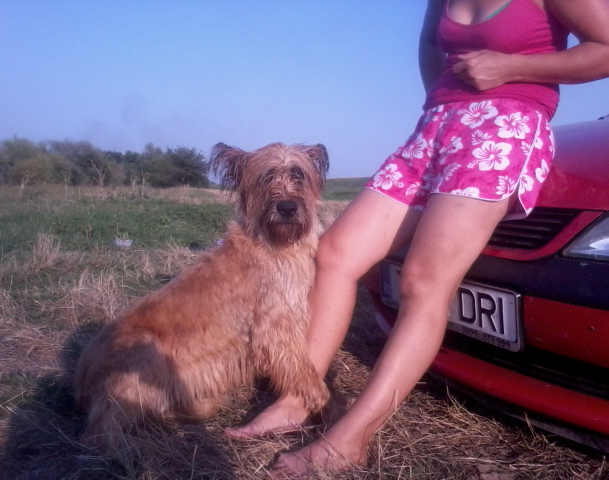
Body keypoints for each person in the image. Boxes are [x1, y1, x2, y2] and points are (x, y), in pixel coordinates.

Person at [226, 0, 609, 477]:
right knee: (337, 253)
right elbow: (431, 44)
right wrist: (442, 98)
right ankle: (297, 400)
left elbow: (606, 47)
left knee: (423, 282)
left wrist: (514, 66)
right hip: (435, 128)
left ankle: (350, 439)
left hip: (505, 125)